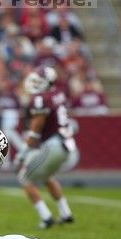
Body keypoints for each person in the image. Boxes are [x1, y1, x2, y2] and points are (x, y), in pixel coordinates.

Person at [17, 66, 78, 229]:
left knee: (25, 178)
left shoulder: (40, 98)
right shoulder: (58, 93)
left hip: (53, 145)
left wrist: (23, 152)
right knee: (46, 177)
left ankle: (46, 217)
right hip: (66, 145)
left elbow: (36, 128)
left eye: (38, 81)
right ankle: (66, 214)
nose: (34, 84)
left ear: (47, 82)